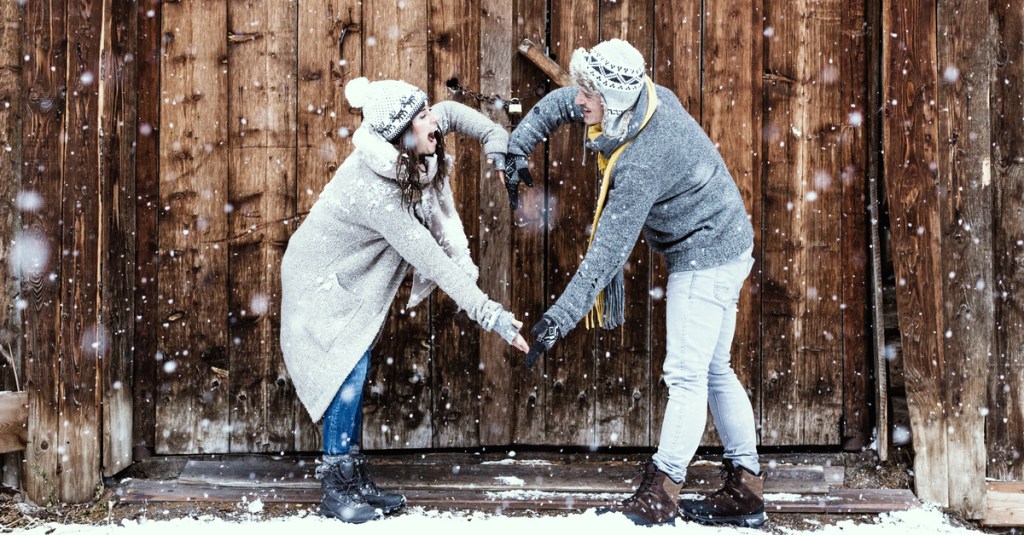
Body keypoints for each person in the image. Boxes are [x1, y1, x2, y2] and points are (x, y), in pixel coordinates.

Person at [504, 39, 765, 527]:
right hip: (730, 242)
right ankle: (747, 487)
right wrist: (518, 146)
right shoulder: (640, 100)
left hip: (706, 255)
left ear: (613, 100)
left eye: (590, 93)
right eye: (583, 88)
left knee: (688, 376)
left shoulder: (643, 159)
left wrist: (555, 322)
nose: (579, 100)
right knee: (714, 370)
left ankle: (661, 493)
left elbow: (604, 257)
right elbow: (561, 102)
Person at [281, 77, 530, 524]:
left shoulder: (410, 149)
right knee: (346, 370)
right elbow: (437, 262)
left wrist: (496, 137)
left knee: (357, 365)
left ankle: (355, 478)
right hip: (317, 279)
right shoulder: (380, 194)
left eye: (427, 113)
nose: (434, 122)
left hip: (343, 274)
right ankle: (338, 486)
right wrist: (492, 316)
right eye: (423, 118)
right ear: (403, 133)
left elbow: (452, 113)